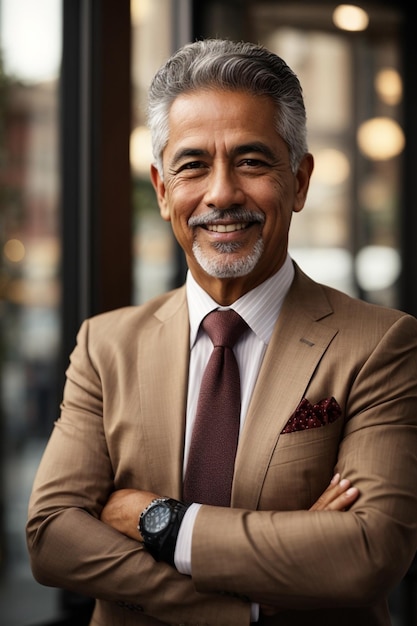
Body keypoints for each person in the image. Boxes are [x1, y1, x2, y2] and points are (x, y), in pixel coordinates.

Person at [26, 38, 417, 626]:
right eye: (192, 165)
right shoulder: (104, 346)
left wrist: (158, 521)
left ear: (300, 181)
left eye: (252, 161)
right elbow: (53, 536)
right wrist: (241, 606)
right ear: (162, 189)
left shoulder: (381, 344)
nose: (221, 193)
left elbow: (365, 553)